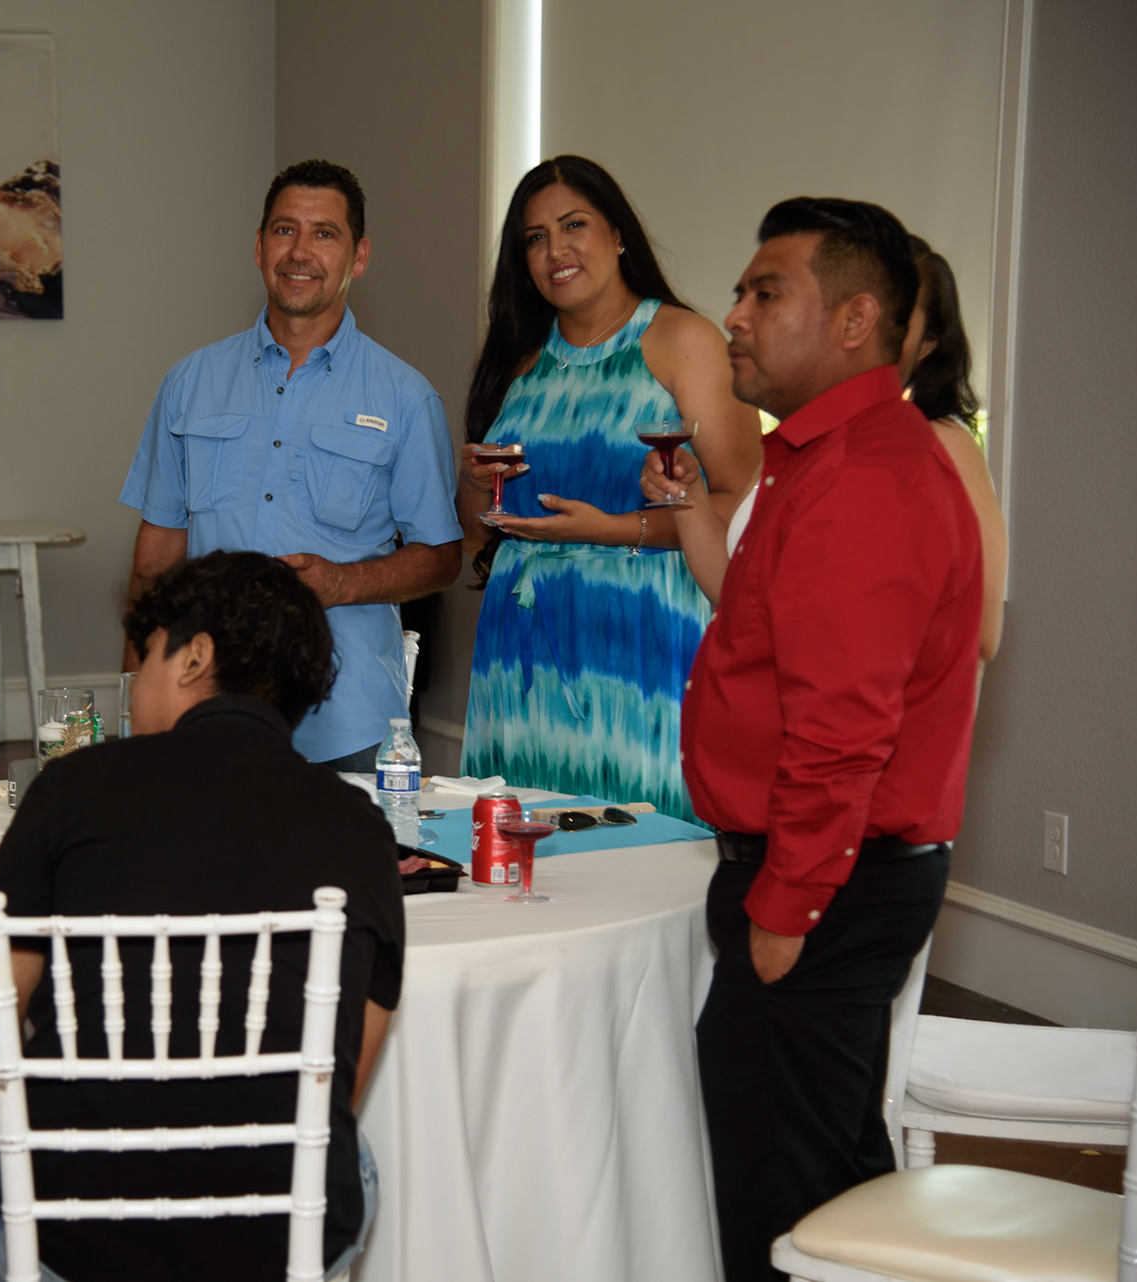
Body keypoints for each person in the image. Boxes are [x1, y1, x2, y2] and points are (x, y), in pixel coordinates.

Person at [0, 551, 405, 1282]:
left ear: (194, 657)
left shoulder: (72, 788)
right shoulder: (359, 825)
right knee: (355, 1155)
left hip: (78, 1235)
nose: (133, 687)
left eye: (147, 656)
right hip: (278, 1239)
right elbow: (336, 1086)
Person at [684, 197, 983, 1282]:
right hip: (831, 876)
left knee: (785, 1207)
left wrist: (786, 907)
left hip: (827, 882)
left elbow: (842, 730)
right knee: (835, 1187)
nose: (735, 315)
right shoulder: (827, 458)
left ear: (856, 321)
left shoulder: (863, 476)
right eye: (741, 292)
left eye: (767, 293)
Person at [118, 159, 462, 770]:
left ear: (358, 257)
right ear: (258, 247)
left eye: (324, 233)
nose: (300, 252)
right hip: (203, 709)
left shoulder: (406, 398)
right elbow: (155, 561)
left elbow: (441, 557)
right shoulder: (189, 383)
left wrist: (342, 583)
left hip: (346, 723)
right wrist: (133, 703)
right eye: (284, 230)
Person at [457, 155, 761, 821]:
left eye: (574, 225)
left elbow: (742, 503)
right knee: (519, 846)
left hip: (641, 643)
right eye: (535, 237)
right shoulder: (518, 359)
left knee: (644, 841)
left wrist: (613, 529)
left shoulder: (683, 340)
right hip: (522, 650)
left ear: (618, 234)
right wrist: (476, 484)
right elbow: (476, 530)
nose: (556, 250)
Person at [645, 236, 1007, 661]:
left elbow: (980, 631)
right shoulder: (798, 441)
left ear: (927, 345)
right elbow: (732, 594)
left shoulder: (940, 443)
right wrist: (688, 495)